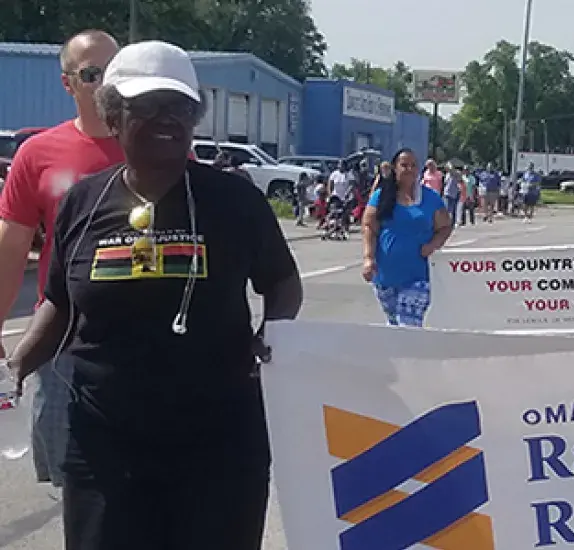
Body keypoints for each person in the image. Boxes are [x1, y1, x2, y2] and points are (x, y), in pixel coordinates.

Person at [6, 40, 303, 549]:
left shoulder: (235, 202)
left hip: (218, 442)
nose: (169, 119)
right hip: (103, 443)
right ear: (114, 116)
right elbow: (58, 301)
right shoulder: (84, 200)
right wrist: (16, 366)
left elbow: (282, 282)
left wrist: (270, 336)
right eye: (149, 106)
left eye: (181, 107)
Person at [0, 29, 123, 491]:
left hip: (141, 337)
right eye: (93, 74)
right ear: (68, 84)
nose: (106, 83)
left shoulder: (158, 147)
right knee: (72, 477)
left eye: (114, 70)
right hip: (64, 335)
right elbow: (11, 247)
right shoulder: (37, 155)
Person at [361, 148, 453, 326]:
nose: (409, 169)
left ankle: (410, 353)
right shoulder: (381, 196)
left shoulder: (430, 198)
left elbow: (445, 227)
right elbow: (369, 226)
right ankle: (400, 354)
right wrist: (368, 258)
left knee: (408, 325)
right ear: (395, 168)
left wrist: (433, 245)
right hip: (385, 275)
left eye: (413, 165)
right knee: (394, 324)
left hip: (418, 275)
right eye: (404, 165)